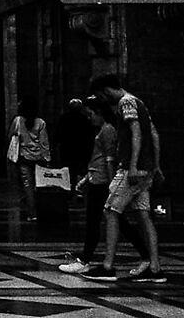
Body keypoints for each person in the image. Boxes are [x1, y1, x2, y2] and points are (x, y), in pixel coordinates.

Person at [87, 74, 164, 283]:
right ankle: (155, 268)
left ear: (106, 90)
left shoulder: (126, 103)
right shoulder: (139, 102)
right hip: (145, 170)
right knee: (143, 215)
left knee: (110, 211)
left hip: (131, 169)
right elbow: (154, 134)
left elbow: (136, 132)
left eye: (100, 95)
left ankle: (108, 266)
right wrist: (155, 166)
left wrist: (132, 165)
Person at [57, 97, 117, 276]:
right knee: (105, 221)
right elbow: (98, 160)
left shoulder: (107, 130)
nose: (90, 117)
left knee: (95, 221)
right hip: (97, 180)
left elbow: (109, 160)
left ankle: (85, 260)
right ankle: (146, 255)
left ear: (99, 113)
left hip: (102, 182)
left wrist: (112, 184)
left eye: (92, 114)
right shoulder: (102, 130)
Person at [10, 94, 52, 198]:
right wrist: (47, 159)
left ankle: (31, 211)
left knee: (27, 185)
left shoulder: (18, 120)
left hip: (24, 158)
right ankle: (39, 207)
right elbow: (44, 143)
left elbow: (10, 136)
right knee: (39, 185)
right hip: (38, 158)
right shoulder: (41, 122)